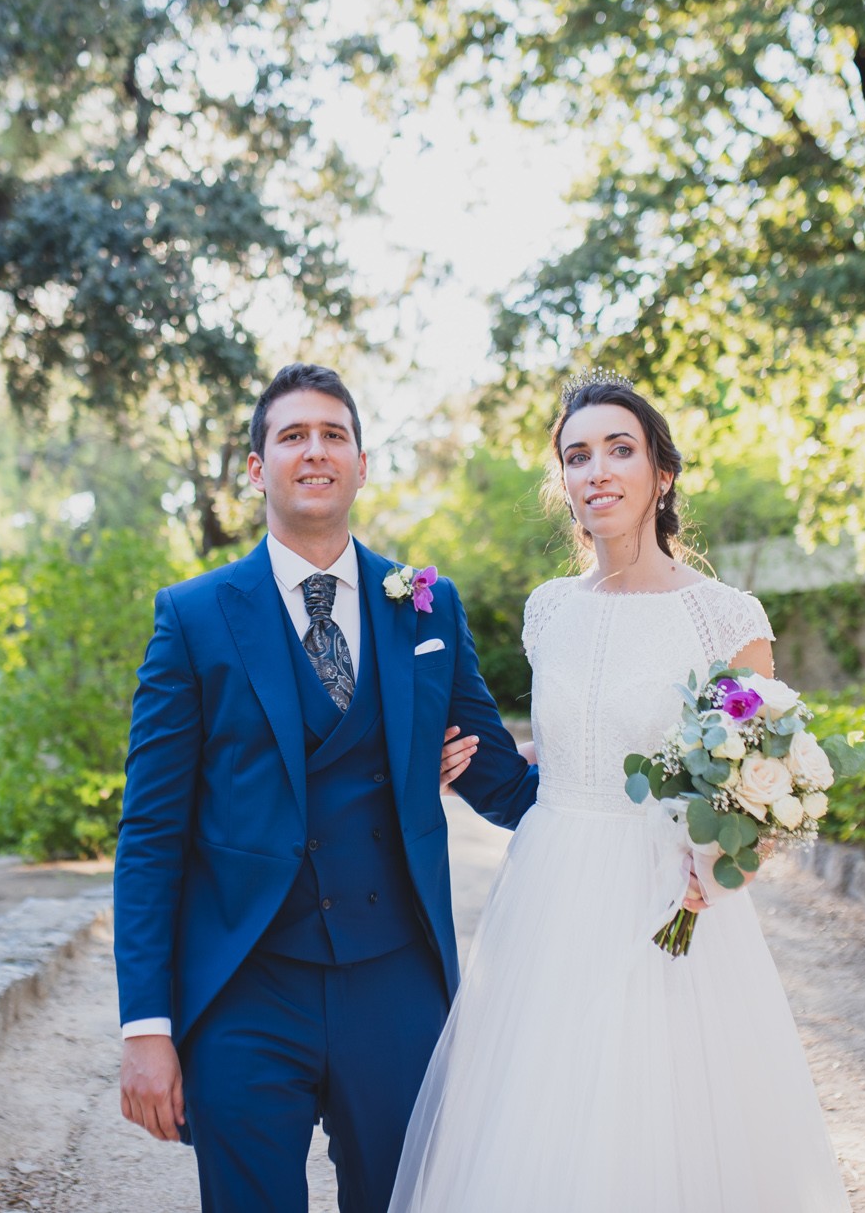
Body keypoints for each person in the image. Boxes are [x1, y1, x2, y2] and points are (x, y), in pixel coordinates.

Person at [390, 376, 852, 1212]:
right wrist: (465, 755)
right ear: (562, 482)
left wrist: (721, 869)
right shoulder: (547, 611)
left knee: (656, 1123)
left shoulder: (724, 615)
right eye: (577, 455)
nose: (596, 469)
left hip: (666, 899)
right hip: (549, 890)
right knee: (540, 1120)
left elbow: (761, 776)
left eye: (619, 448)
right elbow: (572, 743)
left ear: (661, 474)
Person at [112, 362, 539, 1213]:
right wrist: (146, 1027)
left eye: (333, 434)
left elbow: (501, 781)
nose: (315, 451)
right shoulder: (192, 618)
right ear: (256, 466)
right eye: (293, 435)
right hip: (246, 985)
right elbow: (151, 834)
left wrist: (636, 795)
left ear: (361, 462)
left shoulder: (426, 606)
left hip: (396, 979)